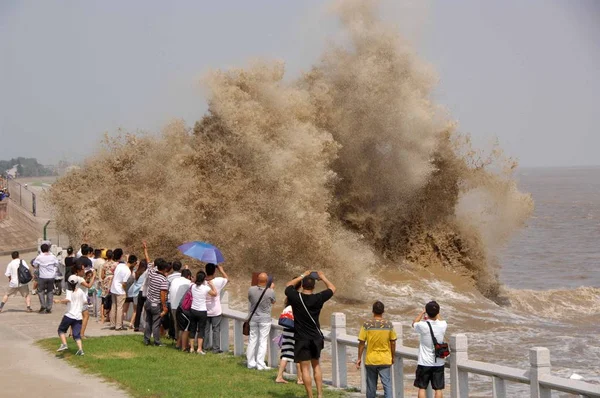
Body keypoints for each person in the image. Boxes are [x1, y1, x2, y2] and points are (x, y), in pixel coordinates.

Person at [285, 270, 336, 398]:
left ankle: (310, 396)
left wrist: (302, 275)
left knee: (305, 369)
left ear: (302, 286)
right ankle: (320, 395)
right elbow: (332, 288)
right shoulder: (318, 298)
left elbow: (288, 285)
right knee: (316, 365)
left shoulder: (296, 297)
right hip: (315, 337)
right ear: (314, 286)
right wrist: (323, 277)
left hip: (301, 338)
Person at [356, 301, 397, 398]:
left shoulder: (367, 325)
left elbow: (362, 342)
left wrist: (359, 358)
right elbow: (393, 342)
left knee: (371, 386)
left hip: (371, 359)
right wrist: (393, 356)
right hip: (385, 359)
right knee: (387, 385)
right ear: (383, 311)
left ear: (372, 311)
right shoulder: (389, 325)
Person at [412, 301, 448, 398]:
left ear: (427, 312)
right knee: (438, 388)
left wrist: (422, 312)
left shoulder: (422, 325)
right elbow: (440, 320)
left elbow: (414, 323)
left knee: (422, 387)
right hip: (438, 362)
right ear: (438, 312)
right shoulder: (443, 325)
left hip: (424, 362)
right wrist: (436, 313)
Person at [246, 272, 276, 370]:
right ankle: (260, 363)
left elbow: (250, 300)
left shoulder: (251, 289)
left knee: (252, 340)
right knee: (263, 341)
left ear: (258, 279)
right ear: (267, 281)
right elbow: (273, 302)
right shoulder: (270, 291)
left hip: (253, 318)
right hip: (265, 319)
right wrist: (271, 289)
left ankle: (250, 363)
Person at [275, 282, 303, 385]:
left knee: (285, 354)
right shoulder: (298, 298)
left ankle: (279, 376)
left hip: (287, 329)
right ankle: (300, 379)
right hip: (295, 330)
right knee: (298, 355)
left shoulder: (288, 299)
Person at [54, 275, 87, 356]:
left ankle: (64, 344)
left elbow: (68, 299)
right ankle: (80, 350)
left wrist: (59, 301)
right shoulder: (80, 291)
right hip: (78, 317)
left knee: (61, 330)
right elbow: (85, 301)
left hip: (69, 315)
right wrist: (78, 303)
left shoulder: (69, 291)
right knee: (76, 335)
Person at [186, 271, 217, 354]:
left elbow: (192, 282)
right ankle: (199, 348)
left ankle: (192, 348)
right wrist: (212, 285)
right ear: (204, 279)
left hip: (193, 310)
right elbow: (215, 294)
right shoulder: (205, 288)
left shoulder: (192, 286)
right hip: (202, 311)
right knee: (201, 330)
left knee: (192, 329)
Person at [144, 258, 171, 346]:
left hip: (148, 302)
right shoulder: (164, 280)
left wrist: (145, 250)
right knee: (156, 323)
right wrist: (164, 307)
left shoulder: (152, 274)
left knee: (148, 321)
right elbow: (162, 295)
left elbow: (148, 264)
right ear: (164, 269)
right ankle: (157, 341)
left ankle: (146, 340)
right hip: (156, 304)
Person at [203, 263, 229, 353]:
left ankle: (205, 347)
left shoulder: (202, 281)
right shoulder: (218, 281)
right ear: (214, 271)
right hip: (215, 310)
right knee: (216, 330)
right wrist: (221, 270)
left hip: (204, 310)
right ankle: (216, 349)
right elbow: (227, 279)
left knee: (206, 330)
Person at [70, 263, 96, 339]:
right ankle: (81, 334)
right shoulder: (80, 279)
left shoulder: (75, 277)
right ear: (78, 270)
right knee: (86, 316)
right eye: (83, 269)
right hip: (81, 299)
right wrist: (93, 276)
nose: (84, 271)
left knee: (75, 316)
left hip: (76, 298)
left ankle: (71, 334)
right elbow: (89, 286)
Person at [169, 268, 192, 350]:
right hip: (182, 308)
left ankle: (179, 343)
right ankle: (182, 344)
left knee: (178, 327)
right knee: (184, 327)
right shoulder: (189, 283)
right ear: (189, 276)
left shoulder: (175, 280)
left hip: (173, 305)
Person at [33, 243, 59, 314]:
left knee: (40, 291)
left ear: (41, 249)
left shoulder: (39, 257)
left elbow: (35, 265)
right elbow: (57, 264)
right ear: (48, 249)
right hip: (51, 276)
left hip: (42, 276)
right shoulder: (52, 256)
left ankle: (43, 305)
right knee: (50, 291)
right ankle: (49, 307)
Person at [109, 249, 131, 330]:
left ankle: (112, 324)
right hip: (120, 290)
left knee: (113, 306)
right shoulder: (126, 270)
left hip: (113, 288)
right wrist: (124, 290)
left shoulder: (118, 265)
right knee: (119, 308)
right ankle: (118, 326)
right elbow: (124, 283)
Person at [126, 259, 147, 329]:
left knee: (135, 310)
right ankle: (135, 323)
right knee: (141, 310)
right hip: (141, 293)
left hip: (134, 293)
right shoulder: (146, 273)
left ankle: (132, 323)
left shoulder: (136, 272)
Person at [122, 255, 139, 326]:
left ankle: (121, 321)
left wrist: (127, 258)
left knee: (124, 309)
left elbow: (127, 264)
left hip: (126, 292)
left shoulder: (126, 271)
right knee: (135, 310)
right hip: (134, 293)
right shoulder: (135, 273)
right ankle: (131, 323)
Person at [100, 250, 116, 323]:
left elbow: (102, 276)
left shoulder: (104, 264)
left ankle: (103, 318)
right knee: (112, 300)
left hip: (106, 282)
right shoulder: (115, 264)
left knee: (104, 300)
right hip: (113, 281)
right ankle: (110, 317)